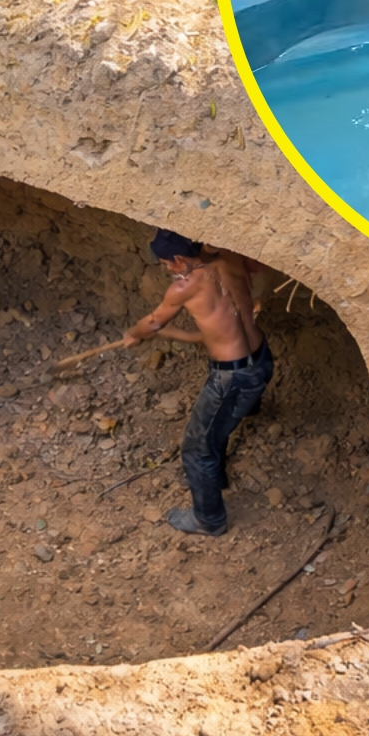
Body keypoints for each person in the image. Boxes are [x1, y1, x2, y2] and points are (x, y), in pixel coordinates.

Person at [121, 230, 271, 537]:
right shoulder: (229, 257)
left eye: (166, 265)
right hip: (261, 359)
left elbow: (153, 322)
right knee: (220, 423)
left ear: (178, 259)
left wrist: (135, 334)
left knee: (196, 448)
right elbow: (210, 330)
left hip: (232, 377)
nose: (168, 271)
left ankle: (209, 519)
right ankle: (215, 475)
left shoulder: (185, 287)